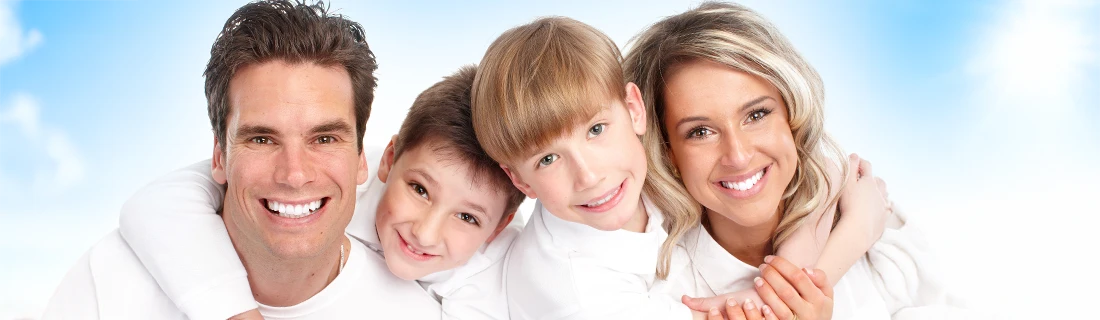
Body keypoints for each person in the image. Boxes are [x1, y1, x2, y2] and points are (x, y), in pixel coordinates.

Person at [41, 1, 440, 318]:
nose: (295, 174)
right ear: (219, 155)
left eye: (324, 138)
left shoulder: (415, 313)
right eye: (263, 139)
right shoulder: (109, 283)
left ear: (361, 160)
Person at [470, 16, 886, 320]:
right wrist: (793, 296)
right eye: (548, 159)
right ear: (520, 180)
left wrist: (809, 268)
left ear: (634, 112)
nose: (589, 175)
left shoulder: (632, 173)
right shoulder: (580, 291)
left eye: (596, 129)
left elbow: (826, 172)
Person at [625, 2, 960, 319]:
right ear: (666, 151)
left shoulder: (878, 232)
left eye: (756, 114)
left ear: (792, 114)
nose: (738, 156)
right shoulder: (653, 288)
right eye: (700, 132)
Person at [114, 65, 526, 320]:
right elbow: (156, 204)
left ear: (498, 228)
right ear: (387, 160)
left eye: (468, 217)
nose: (426, 232)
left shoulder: (490, 282)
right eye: (419, 190)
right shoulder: (339, 170)